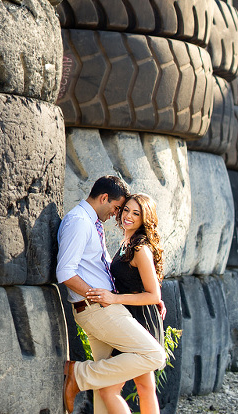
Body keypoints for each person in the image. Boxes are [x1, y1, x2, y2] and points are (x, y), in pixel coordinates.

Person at [58, 176, 166, 414]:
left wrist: (151, 298)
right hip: (99, 307)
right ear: (104, 198)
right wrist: (98, 296)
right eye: (121, 208)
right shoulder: (80, 221)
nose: (120, 214)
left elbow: (115, 273)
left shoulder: (98, 227)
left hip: (116, 307)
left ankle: (79, 375)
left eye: (133, 212)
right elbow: (65, 271)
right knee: (153, 357)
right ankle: (78, 374)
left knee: (108, 387)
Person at [86, 193, 165, 414]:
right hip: (129, 316)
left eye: (136, 213)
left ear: (144, 219)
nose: (128, 216)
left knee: (109, 390)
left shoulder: (140, 248)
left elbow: (154, 295)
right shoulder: (127, 242)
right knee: (145, 387)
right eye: (127, 210)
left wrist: (114, 298)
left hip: (139, 320)